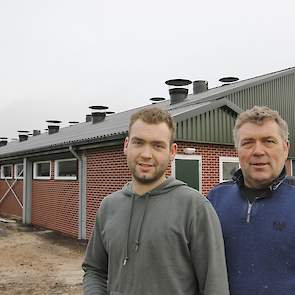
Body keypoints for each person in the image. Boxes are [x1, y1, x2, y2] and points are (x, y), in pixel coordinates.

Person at [82, 107, 229, 295]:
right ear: (126, 145)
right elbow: (94, 270)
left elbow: (214, 286)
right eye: (138, 143)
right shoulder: (109, 206)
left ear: (172, 151)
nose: (146, 154)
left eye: (157, 145)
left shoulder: (195, 208)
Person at [208, 106, 295, 295]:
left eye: (268, 141)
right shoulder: (215, 200)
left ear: (285, 148)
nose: (258, 151)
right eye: (248, 142)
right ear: (237, 149)